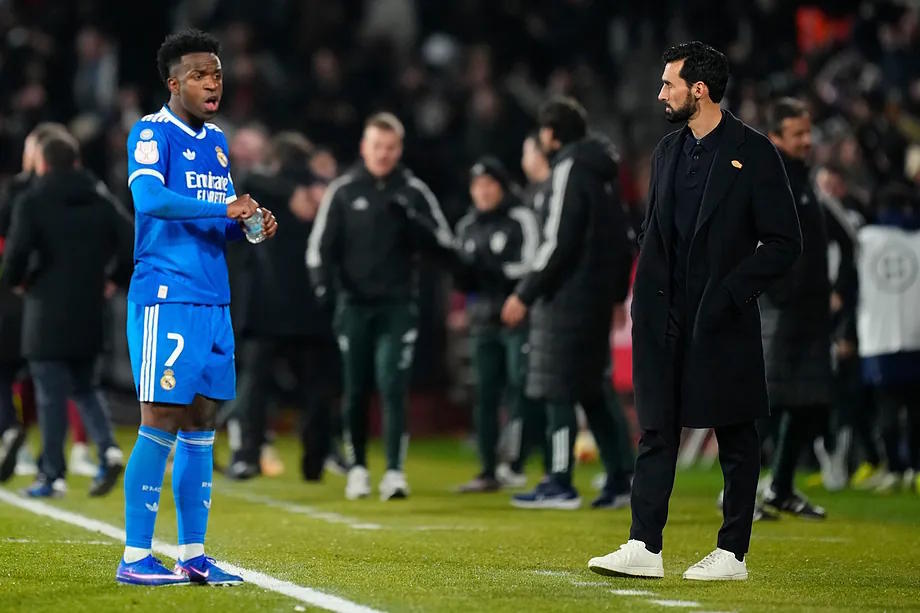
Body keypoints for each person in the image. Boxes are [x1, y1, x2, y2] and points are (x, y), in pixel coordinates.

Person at [588, 42, 801, 581]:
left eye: (669, 83)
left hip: (721, 315)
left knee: (735, 432)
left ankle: (732, 553)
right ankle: (644, 546)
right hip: (661, 316)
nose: (661, 92)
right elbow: (654, 228)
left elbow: (783, 241)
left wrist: (732, 293)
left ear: (698, 90)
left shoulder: (754, 153)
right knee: (656, 430)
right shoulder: (665, 151)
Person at [116, 30, 277, 587]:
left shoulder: (215, 143)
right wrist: (223, 204)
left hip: (213, 298)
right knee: (159, 418)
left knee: (203, 422)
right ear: (175, 83)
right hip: (167, 294)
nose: (214, 82)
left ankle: (191, 553)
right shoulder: (151, 132)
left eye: (218, 73)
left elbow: (216, 221)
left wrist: (249, 226)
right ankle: (136, 556)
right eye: (202, 74)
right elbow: (151, 199)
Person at [308, 112, 454, 501]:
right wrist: (325, 289)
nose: (383, 154)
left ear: (399, 149)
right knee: (355, 388)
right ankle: (357, 468)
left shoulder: (414, 191)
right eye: (377, 146)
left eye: (390, 147)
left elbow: (444, 245)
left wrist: (414, 223)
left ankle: (393, 471)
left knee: (392, 384)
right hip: (353, 306)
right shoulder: (342, 190)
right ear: (364, 147)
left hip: (398, 306)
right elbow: (320, 249)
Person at [501, 97, 635, 510]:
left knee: (558, 385)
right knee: (592, 388)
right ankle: (621, 477)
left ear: (550, 135)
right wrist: (614, 295)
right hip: (594, 297)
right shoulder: (605, 173)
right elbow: (623, 239)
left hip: (566, 296)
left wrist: (525, 293)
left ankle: (560, 480)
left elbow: (559, 242)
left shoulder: (568, 170)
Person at [3, 131, 132, 500]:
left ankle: (52, 476)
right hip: (91, 308)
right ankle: (107, 449)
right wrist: (113, 280)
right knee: (87, 387)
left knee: (49, 394)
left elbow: (16, 254)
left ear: (42, 163)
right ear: (76, 161)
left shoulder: (33, 200)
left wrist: (18, 282)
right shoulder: (100, 199)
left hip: (46, 309)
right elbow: (130, 242)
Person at [226, 131, 339, 482]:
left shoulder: (262, 188)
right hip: (311, 306)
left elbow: (245, 181)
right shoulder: (322, 192)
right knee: (317, 388)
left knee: (255, 385)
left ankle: (247, 455)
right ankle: (316, 460)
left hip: (267, 305)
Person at [760, 97, 854, 516]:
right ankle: (737, 490)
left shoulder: (803, 179)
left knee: (804, 401)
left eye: (807, 131)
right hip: (780, 309)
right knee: (763, 402)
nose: (807, 140)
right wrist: (776, 292)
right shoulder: (768, 176)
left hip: (809, 311)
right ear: (775, 136)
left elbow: (836, 239)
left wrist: (826, 288)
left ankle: (780, 487)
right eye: (797, 133)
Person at [453, 157, 539, 492]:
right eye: (478, 185)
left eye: (490, 184)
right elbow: (462, 275)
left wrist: (493, 272)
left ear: (502, 187)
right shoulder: (466, 226)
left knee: (522, 386)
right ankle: (488, 469)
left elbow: (531, 265)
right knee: (485, 394)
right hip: (483, 322)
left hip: (517, 318)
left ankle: (517, 460)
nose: (484, 191)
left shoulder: (520, 218)